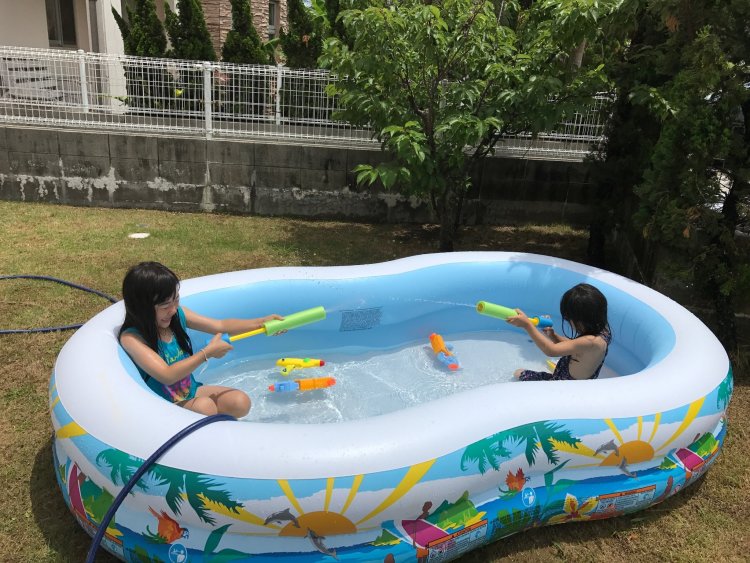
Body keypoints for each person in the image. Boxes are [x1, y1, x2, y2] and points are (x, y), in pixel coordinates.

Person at [119, 261, 284, 417]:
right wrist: (206, 353)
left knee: (240, 402)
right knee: (205, 407)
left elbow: (220, 325)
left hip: (190, 392)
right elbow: (167, 375)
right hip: (164, 406)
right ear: (142, 308)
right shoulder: (132, 338)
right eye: (165, 306)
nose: (173, 310)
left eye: (176, 300)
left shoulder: (178, 316)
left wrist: (261, 323)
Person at [507, 283, 611, 381]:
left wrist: (527, 325)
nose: (569, 323)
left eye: (569, 319)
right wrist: (553, 336)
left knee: (518, 373)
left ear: (580, 320)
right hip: (569, 380)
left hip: (563, 387)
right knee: (520, 373)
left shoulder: (591, 341)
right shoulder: (602, 332)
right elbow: (574, 345)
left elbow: (551, 350)